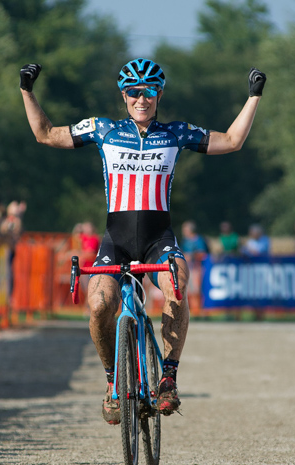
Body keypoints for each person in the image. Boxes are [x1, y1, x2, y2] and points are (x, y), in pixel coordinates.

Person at [20, 58, 265, 424]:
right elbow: (45, 133)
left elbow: (231, 141)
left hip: (158, 238)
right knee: (100, 304)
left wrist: (254, 96)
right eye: (134, 92)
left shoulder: (176, 133)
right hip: (114, 240)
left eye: (149, 92)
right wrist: (27, 90)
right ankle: (111, 382)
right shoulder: (103, 129)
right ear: (123, 95)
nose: (141, 98)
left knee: (176, 285)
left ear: (159, 95)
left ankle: (168, 378)